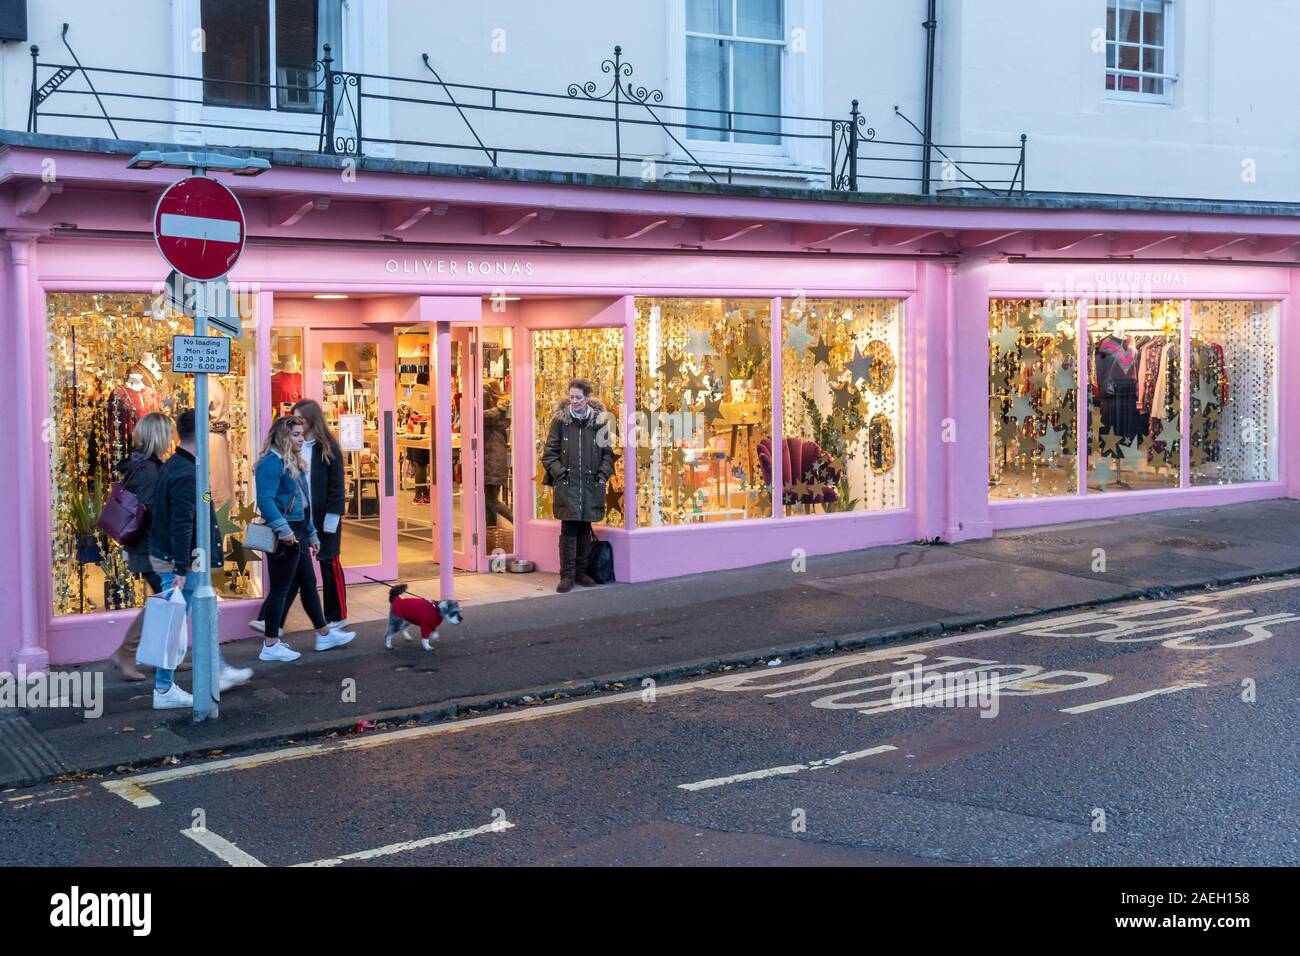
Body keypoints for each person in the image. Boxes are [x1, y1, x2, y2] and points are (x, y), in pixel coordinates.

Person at [148, 409, 253, 709]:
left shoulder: (182, 466)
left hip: (183, 559)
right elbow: (183, 522)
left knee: (199, 616)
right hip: (180, 562)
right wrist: (180, 567)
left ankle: (215, 669)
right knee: (175, 623)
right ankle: (164, 688)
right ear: (204, 434)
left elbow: (196, 510)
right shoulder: (185, 473)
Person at [254, 414, 356, 661]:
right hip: (285, 534)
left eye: (302, 434)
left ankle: (323, 634)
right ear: (283, 436)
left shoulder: (292, 461)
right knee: (281, 588)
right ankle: (270, 645)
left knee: (308, 583)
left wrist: (310, 533)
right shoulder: (271, 462)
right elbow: (265, 500)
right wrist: (284, 530)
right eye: (296, 434)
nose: (302, 438)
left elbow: (303, 501)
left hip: (297, 531)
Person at [107, 412, 173, 681]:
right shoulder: (148, 469)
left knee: (165, 601)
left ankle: (163, 658)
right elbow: (152, 509)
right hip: (149, 547)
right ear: (159, 436)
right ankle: (126, 652)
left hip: (148, 545)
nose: (171, 438)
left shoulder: (145, 464)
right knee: (165, 601)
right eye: (168, 433)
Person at [541, 378, 614, 593]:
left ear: (587, 398)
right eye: (571, 397)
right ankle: (567, 575)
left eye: (578, 397)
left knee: (584, 526)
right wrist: (561, 474)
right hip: (568, 484)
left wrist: (602, 476)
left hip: (591, 484)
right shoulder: (560, 422)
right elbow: (549, 454)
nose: (574, 401)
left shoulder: (599, 422)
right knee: (569, 528)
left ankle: (581, 572)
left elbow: (607, 453)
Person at [482, 380, 513, 529]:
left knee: (491, 501)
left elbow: (471, 419)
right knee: (489, 502)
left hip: (491, 462)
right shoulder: (498, 413)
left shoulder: (491, 415)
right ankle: (491, 534)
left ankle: (517, 522)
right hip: (493, 461)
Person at [407, 371, 432, 504]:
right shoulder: (429, 394)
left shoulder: (412, 394)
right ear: (428, 381)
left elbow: (410, 413)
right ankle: (419, 495)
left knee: (419, 464)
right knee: (423, 464)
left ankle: (424, 493)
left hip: (413, 432)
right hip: (426, 432)